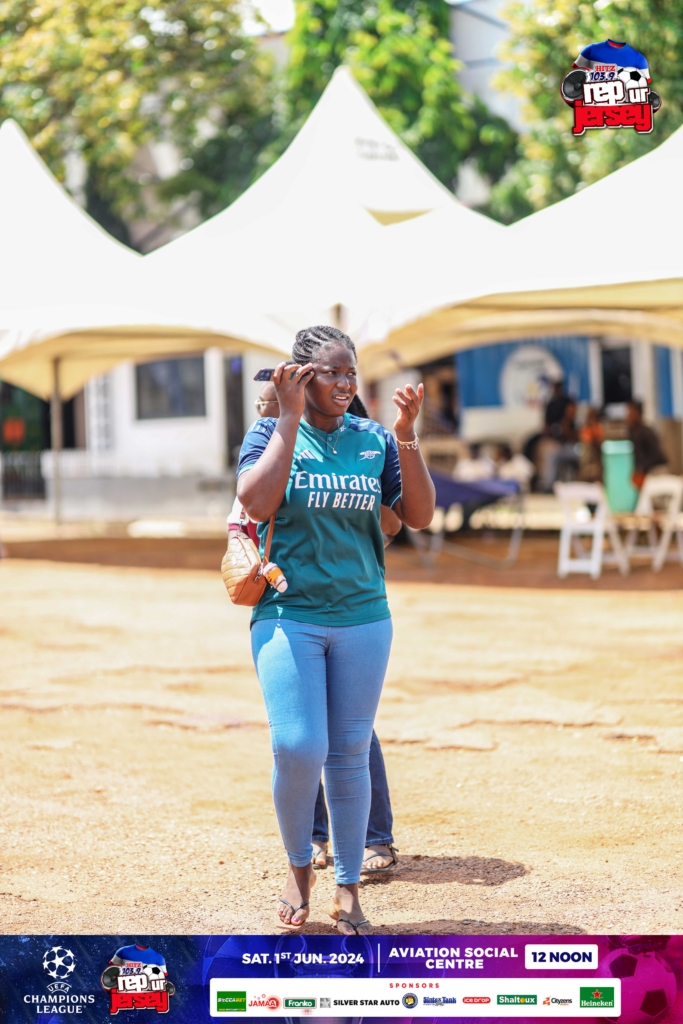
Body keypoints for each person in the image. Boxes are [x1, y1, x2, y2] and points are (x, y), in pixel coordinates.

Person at [236, 325, 435, 934]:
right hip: (288, 614)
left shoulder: (373, 440)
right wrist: (289, 418)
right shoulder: (270, 432)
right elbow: (256, 503)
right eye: (332, 372)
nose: (346, 382)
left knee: (349, 754)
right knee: (299, 746)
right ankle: (300, 867)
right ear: (302, 376)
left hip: (363, 617)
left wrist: (407, 436)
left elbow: (419, 516)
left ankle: (348, 888)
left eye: (352, 372)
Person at [236, 385, 401, 875]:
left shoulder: (362, 443)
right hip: (291, 610)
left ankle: (373, 837)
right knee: (301, 740)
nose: (268, 411)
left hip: (354, 612)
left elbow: (394, 521)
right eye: (265, 406)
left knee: (352, 739)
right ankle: (311, 838)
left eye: (272, 403)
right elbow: (247, 512)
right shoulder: (268, 444)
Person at [627, 400, 668, 488]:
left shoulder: (646, 432)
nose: (628, 416)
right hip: (645, 470)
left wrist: (642, 470)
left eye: (630, 412)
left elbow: (655, 454)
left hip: (657, 469)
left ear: (637, 413)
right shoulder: (632, 432)